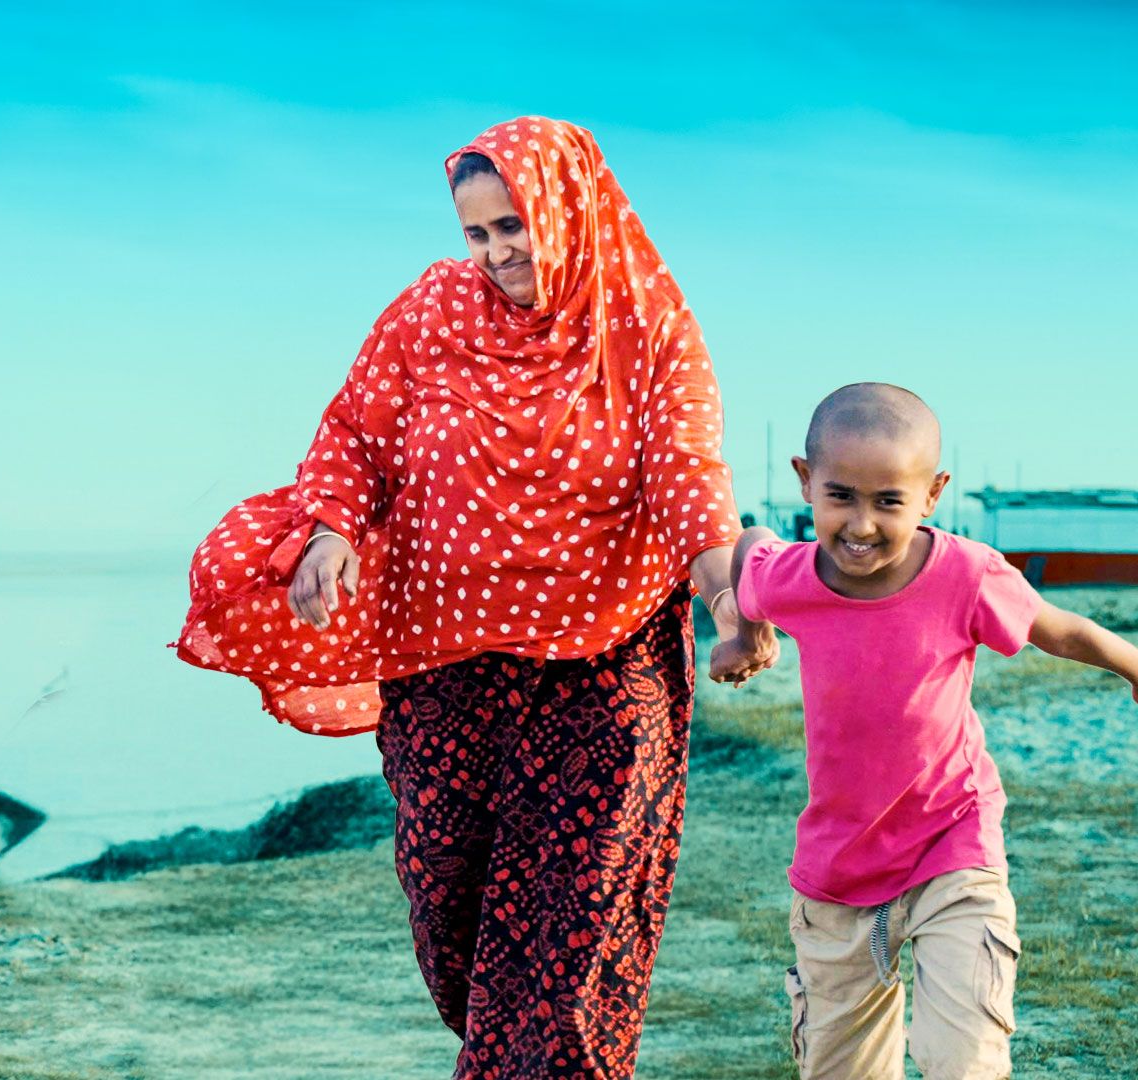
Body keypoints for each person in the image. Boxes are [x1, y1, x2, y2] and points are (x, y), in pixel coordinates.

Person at [176, 117, 776, 1079]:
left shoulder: (649, 324)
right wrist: (331, 530)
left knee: (571, 935)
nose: (498, 253)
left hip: (603, 666)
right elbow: (355, 433)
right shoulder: (428, 310)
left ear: (570, 213)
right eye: (478, 232)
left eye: (517, 226)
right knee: (449, 913)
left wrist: (725, 604)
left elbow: (688, 478)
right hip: (443, 666)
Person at [715, 382, 1138, 1079]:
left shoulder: (966, 576)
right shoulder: (792, 576)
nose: (861, 524)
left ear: (933, 493)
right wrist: (747, 631)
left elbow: (1059, 630)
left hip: (953, 842)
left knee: (963, 1057)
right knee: (838, 1068)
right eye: (841, 495)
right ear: (805, 481)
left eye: (890, 502)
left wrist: (1132, 666)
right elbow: (752, 546)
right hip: (838, 867)